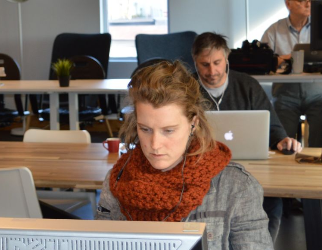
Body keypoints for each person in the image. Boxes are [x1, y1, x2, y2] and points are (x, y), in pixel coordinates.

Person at [96, 60, 272, 249]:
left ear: (193, 124)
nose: (155, 144)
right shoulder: (117, 180)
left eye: (169, 130)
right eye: (145, 129)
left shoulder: (236, 187)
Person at [192, 32, 300, 241]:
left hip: (248, 167)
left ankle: (262, 244)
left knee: (270, 199)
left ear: (226, 58)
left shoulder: (247, 85)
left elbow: (273, 127)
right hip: (201, 167)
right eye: (204, 65)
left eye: (217, 62)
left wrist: (282, 139)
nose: (212, 71)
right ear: (195, 62)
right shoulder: (186, 90)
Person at [261, 0, 322, 148]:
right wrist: (286, 59)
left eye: (311, 0)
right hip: (286, 93)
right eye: (302, 0)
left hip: (318, 92)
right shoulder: (274, 31)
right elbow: (262, 61)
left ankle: (317, 170)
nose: (309, 4)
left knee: (321, 143)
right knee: (282, 142)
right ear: (288, 4)